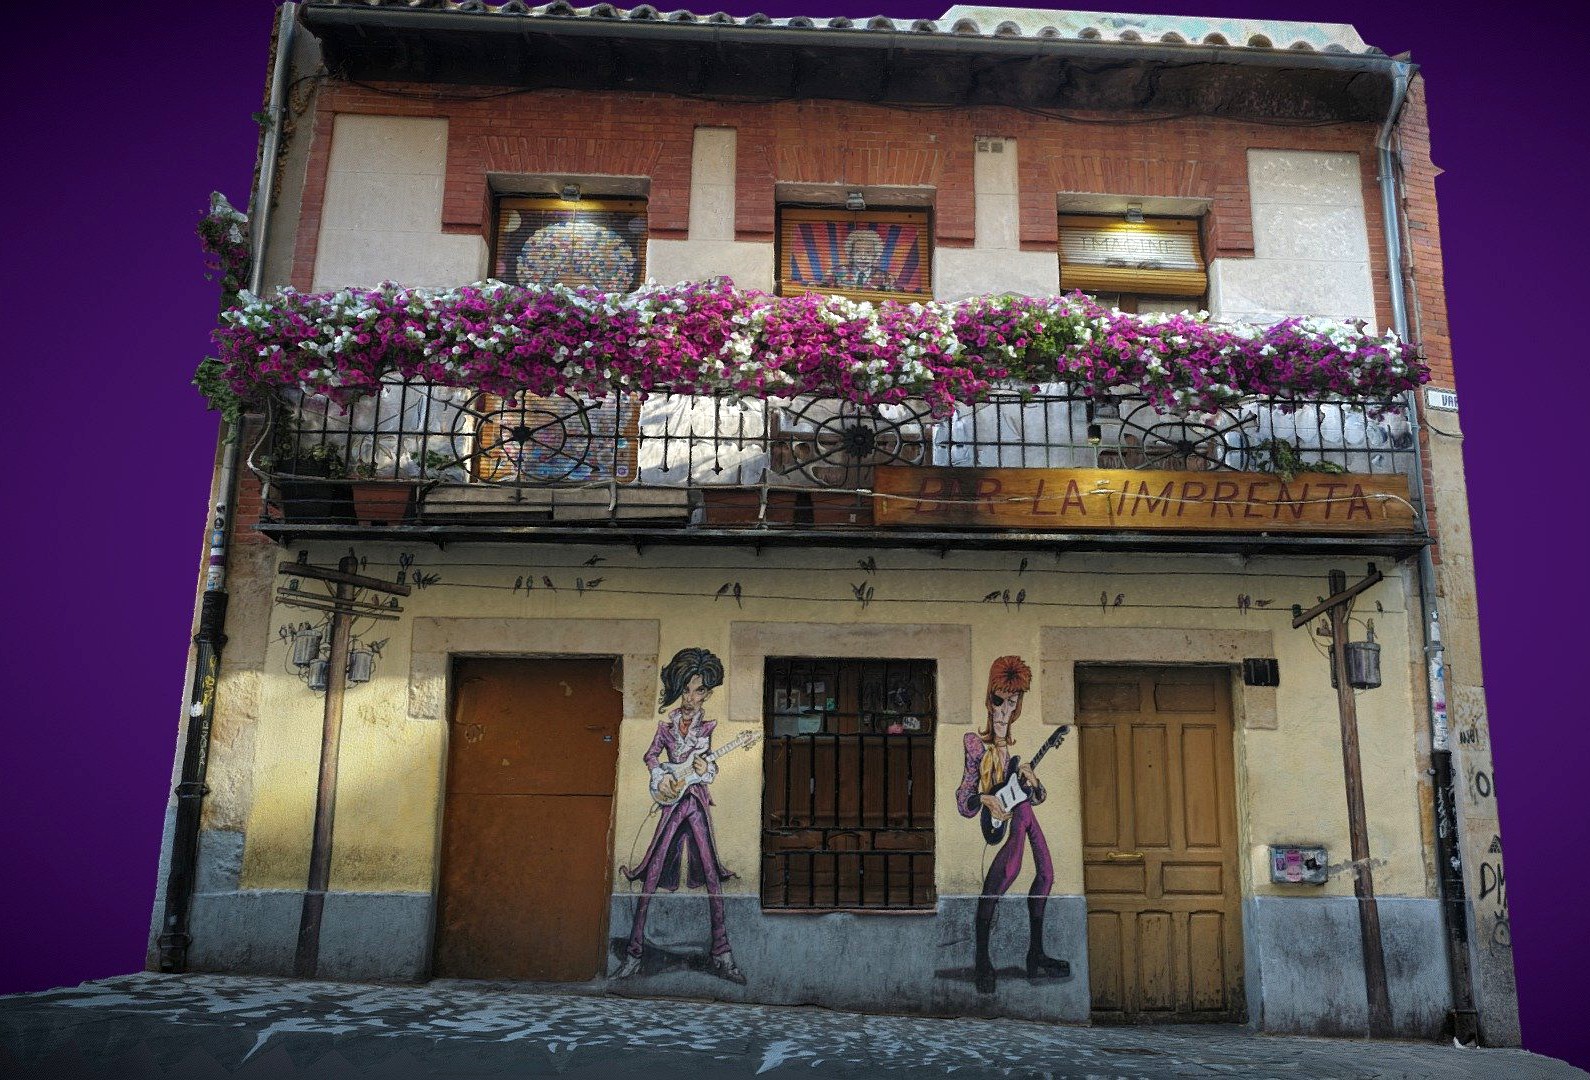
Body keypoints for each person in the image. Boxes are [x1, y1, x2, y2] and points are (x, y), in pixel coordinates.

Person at [613, 647, 745, 984]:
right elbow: (650, 756)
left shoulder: (709, 726)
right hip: (672, 802)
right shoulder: (665, 726)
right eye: (686, 689)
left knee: (712, 873)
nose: (691, 697)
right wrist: (661, 776)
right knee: (653, 871)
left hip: (696, 803)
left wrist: (706, 767)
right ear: (678, 688)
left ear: (708, 692)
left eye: (699, 690)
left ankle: (722, 953)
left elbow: (706, 767)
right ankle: (634, 953)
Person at [956, 655, 1067, 993]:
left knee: (1046, 871)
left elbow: (1035, 797)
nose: (1004, 710)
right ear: (989, 698)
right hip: (996, 818)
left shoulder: (1014, 754)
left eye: (1012, 702)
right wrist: (984, 799)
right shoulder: (976, 744)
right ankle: (982, 960)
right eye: (998, 700)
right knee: (1013, 859)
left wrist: (1032, 781)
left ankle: (1036, 954)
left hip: (1019, 812)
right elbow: (964, 797)